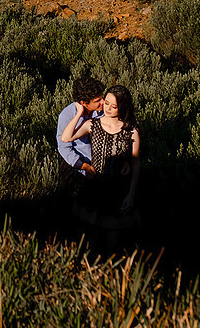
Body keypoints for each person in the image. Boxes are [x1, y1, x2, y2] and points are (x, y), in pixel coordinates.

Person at [60, 84, 140, 249]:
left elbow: (135, 164)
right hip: (94, 189)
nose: (108, 108)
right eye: (107, 103)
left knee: (113, 242)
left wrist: (131, 194)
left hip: (118, 192)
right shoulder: (92, 124)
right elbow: (66, 138)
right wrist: (80, 113)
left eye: (114, 106)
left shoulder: (131, 131)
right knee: (90, 239)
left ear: (122, 107)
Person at [55, 76, 105, 176]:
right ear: (83, 103)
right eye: (97, 101)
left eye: (102, 98)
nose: (103, 102)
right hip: (83, 170)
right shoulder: (67, 115)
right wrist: (84, 166)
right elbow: (64, 147)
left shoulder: (104, 110)